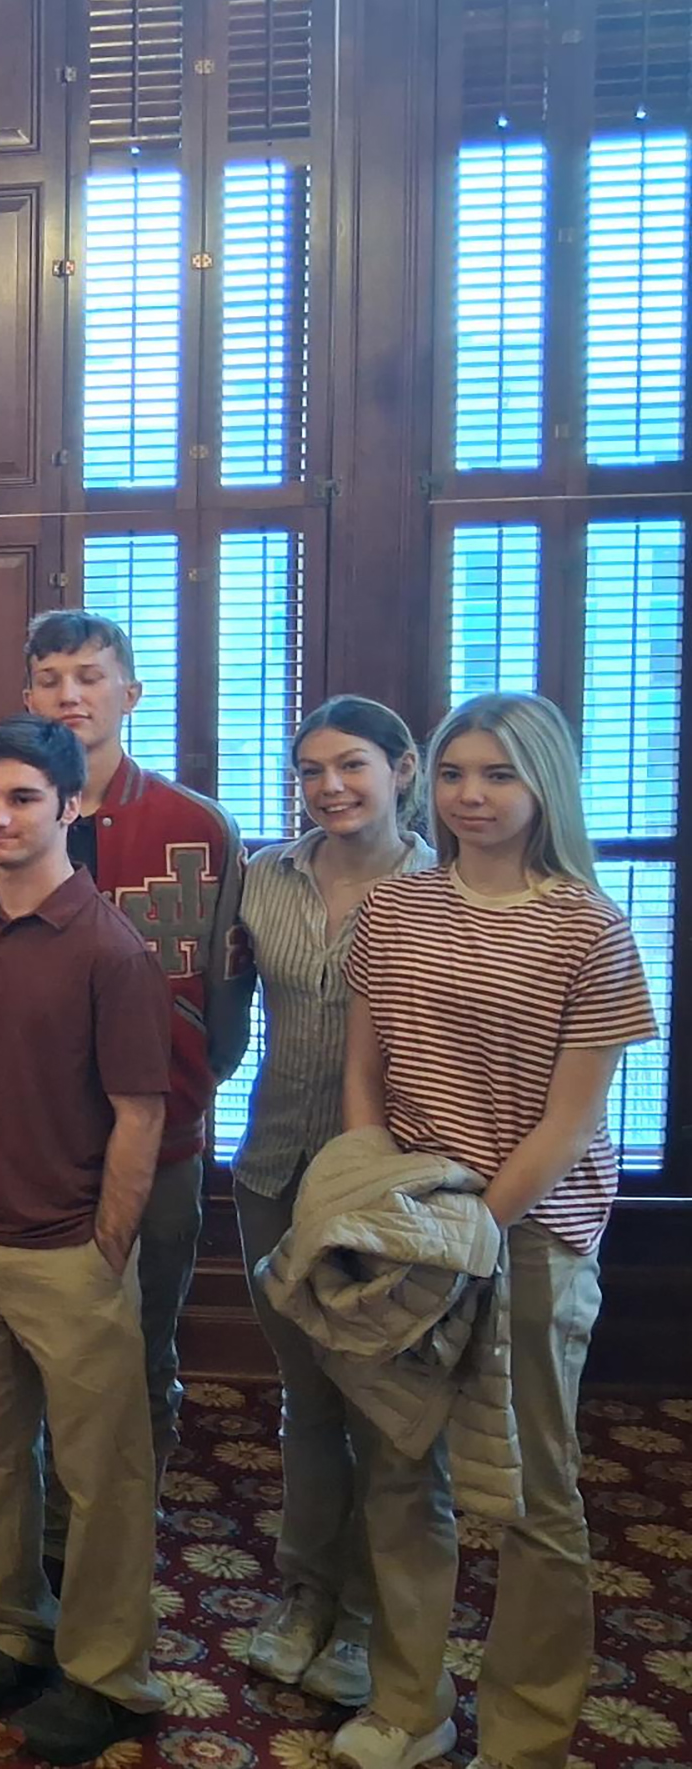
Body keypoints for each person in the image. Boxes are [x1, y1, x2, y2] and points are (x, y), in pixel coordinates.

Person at [332, 692, 655, 1769]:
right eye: (456, 772)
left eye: (499, 774)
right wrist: (382, 1202)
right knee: (399, 1470)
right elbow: (364, 1068)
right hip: (407, 1223)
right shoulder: (395, 908)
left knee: (534, 1492)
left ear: (544, 784)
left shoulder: (591, 926)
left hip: (530, 1235)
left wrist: (475, 1227)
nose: (471, 795)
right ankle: (408, 1704)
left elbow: (572, 1120)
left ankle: (525, 1734)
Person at [0, 713, 171, 1763]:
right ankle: (11, 1630)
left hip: (69, 1251)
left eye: (23, 797)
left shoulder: (111, 949)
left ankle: (109, 1674)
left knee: (100, 1476)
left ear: (71, 806)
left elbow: (141, 1114)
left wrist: (108, 1245)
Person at [0, 611, 247, 1507]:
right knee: (29, 1358)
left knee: (138, 1345)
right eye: (49, 679)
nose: (69, 695)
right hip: (28, 1145)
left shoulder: (195, 826)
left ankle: (121, 1529)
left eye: (89, 676)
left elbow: (227, 992)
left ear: (130, 692)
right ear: (27, 694)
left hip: (157, 1138)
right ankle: (43, 1536)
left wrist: (189, 1088)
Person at [232, 697, 436, 1707]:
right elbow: (220, 1010)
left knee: (386, 1409)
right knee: (307, 1398)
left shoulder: (443, 888)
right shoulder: (262, 877)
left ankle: (365, 1617)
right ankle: (305, 1595)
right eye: (310, 769)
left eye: (352, 764)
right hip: (274, 1167)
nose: (330, 786)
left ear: (403, 767)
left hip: (392, 1184)